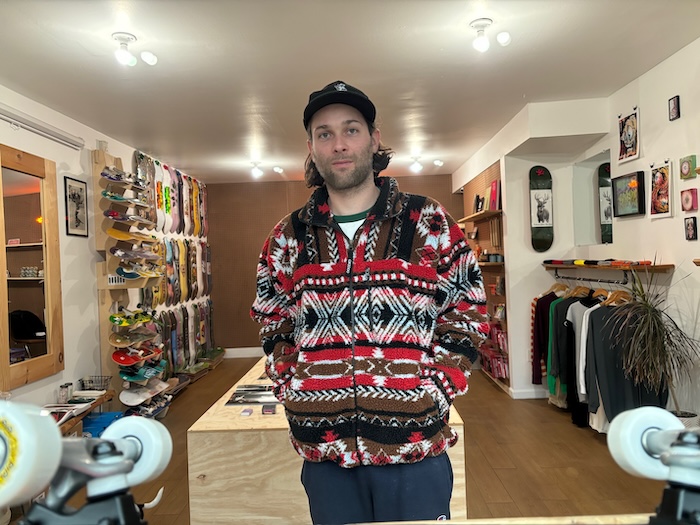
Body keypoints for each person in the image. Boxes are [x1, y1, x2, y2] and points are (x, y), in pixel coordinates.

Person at [251, 80, 488, 524]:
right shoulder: (287, 237)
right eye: (324, 134)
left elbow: (468, 313)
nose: (339, 144)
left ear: (374, 139)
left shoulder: (429, 222)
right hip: (326, 453)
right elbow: (273, 320)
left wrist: (433, 392)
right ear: (312, 148)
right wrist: (293, 384)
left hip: (415, 450)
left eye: (351, 129)